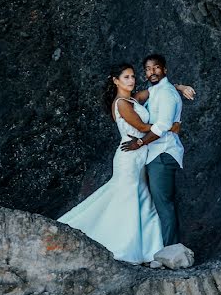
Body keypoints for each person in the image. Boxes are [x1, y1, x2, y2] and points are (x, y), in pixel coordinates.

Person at [58, 62, 193, 263]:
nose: (131, 80)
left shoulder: (134, 98)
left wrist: (180, 87)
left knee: (143, 198)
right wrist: (171, 127)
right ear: (116, 81)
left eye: (132, 76)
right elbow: (142, 126)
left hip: (141, 155)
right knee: (126, 197)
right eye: (126, 77)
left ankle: (150, 249)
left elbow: (158, 90)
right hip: (129, 156)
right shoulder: (121, 103)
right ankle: (119, 244)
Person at [120, 54, 185, 247]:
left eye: (156, 68)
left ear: (164, 69)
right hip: (154, 154)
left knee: (164, 205)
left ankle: (171, 250)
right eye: (148, 69)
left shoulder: (165, 93)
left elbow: (162, 125)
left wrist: (139, 143)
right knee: (158, 204)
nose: (152, 72)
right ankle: (160, 247)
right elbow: (132, 98)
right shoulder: (155, 90)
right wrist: (180, 87)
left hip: (163, 154)